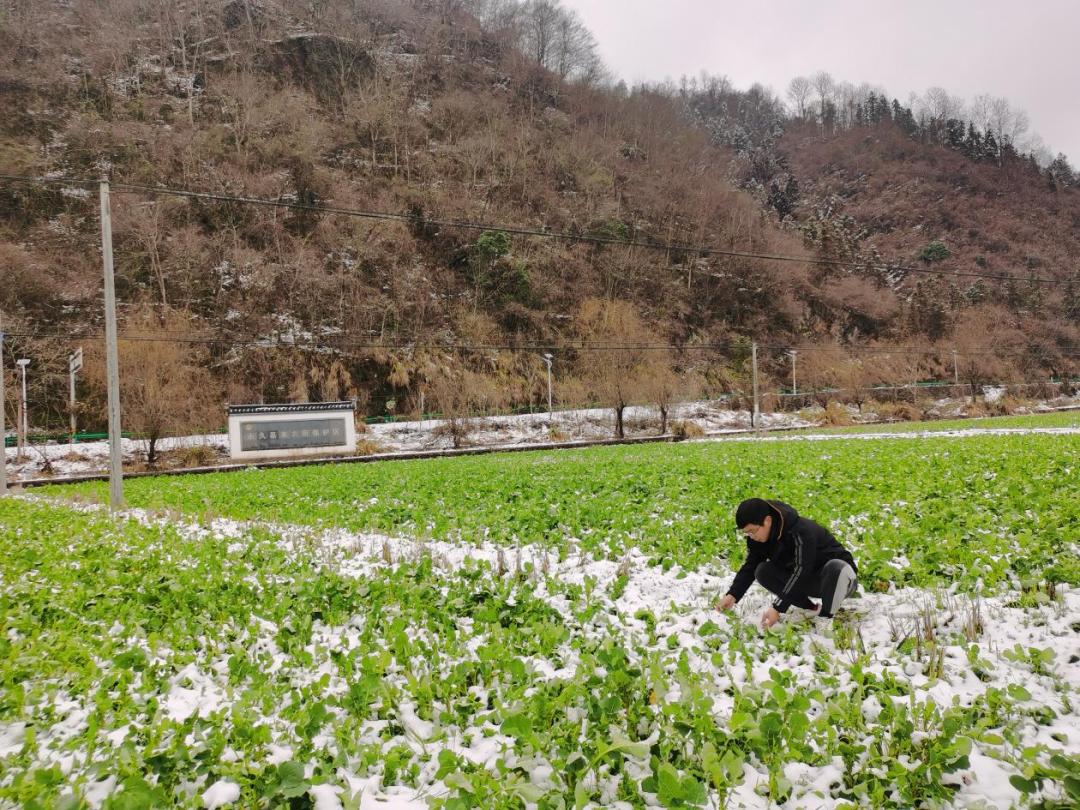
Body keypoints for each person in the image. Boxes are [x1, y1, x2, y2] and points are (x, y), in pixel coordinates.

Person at [716, 498, 858, 628]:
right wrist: (733, 594)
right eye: (747, 533)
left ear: (767, 521)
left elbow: (801, 569)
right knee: (762, 570)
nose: (751, 537)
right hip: (809, 580)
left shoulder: (799, 531)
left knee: (835, 568)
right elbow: (750, 566)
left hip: (840, 579)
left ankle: (826, 617)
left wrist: (778, 607)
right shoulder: (758, 538)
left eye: (753, 531)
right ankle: (810, 608)